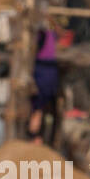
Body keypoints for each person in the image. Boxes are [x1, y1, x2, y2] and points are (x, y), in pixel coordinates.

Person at [28, 12, 60, 140]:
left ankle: (36, 135)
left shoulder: (43, 34)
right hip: (48, 73)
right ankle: (37, 135)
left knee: (38, 109)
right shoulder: (49, 34)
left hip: (43, 72)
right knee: (40, 109)